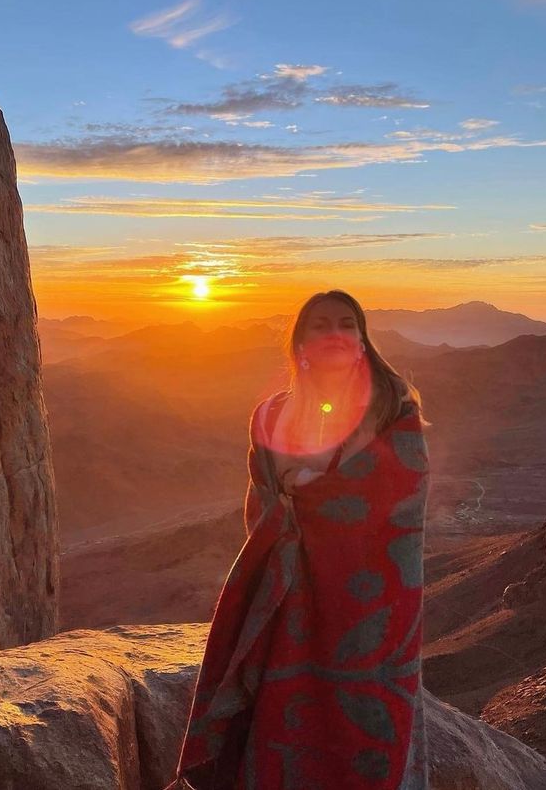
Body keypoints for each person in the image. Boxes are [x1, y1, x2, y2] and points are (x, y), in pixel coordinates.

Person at [164, 290, 431, 790]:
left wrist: (310, 500)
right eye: (320, 324)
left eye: (347, 323)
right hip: (286, 592)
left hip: (367, 604)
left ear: (361, 340)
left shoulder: (392, 409)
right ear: (300, 344)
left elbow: (399, 501)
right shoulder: (271, 416)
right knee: (282, 708)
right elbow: (262, 503)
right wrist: (294, 520)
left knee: (364, 729)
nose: (335, 333)